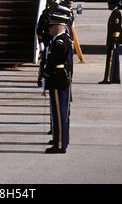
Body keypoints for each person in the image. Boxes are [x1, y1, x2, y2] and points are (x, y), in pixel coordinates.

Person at [44, 13, 72, 154]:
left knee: (59, 113)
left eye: (51, 26)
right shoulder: (63, 39)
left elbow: (54, 62)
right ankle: (61, 139)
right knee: (60, 112)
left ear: (57, 27)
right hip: (60, 79)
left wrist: (46, 74)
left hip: (57, 79)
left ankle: (60, 145)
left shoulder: (60, 42)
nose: (49, 28)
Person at [99, 0, 122, 84]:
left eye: (109, 5)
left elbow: (117, 27)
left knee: (111, 59)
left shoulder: (116, 13)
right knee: (114, 59)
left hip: (114, 41)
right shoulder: (114, 12)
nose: (108, 6)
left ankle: (109, 79)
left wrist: (115, 40)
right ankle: (114, 78)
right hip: (112, 40)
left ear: (113, 5)